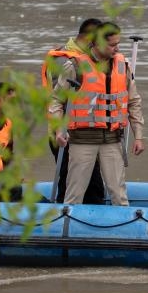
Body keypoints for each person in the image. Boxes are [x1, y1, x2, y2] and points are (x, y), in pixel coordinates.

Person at [49, 22, 144, 206]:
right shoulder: (74, 67)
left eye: (118, 43)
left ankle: (121, 230)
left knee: (119, 195)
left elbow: (134, 102)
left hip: (112, 140)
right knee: (74, 196)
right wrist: (59, 130)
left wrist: (138, 136)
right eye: (112, 44)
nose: (117, 48)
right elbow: (56, 102)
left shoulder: (123, 66)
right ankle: (69, 231)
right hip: (82, 141)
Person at [42, 18, 106, 204]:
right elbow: (58, 101)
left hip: (86, 132)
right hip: (66, 134)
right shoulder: (64, 61)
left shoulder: (87, 59)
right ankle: (65, 224)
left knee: (90, 186)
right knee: (77, 186)